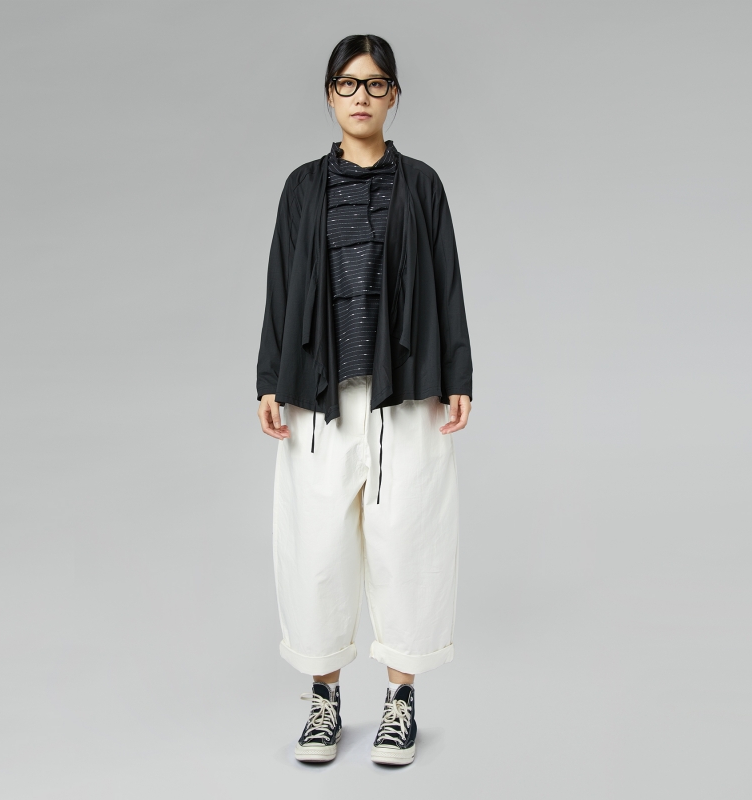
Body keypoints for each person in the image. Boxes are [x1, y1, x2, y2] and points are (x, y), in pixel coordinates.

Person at [255, 34, 473, 766]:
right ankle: (324, 702)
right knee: (317, 550)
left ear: (394, 95)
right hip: (318, 397)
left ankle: (400, 703)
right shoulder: (300, 189)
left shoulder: (423, 186)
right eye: (348, 84)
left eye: (376, 84)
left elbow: (447, 280)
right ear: (329, 95)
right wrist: (269, 378)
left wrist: (459, 374)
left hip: (406, 396)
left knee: (408, 545)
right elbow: (280, 285)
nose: (361, 97)